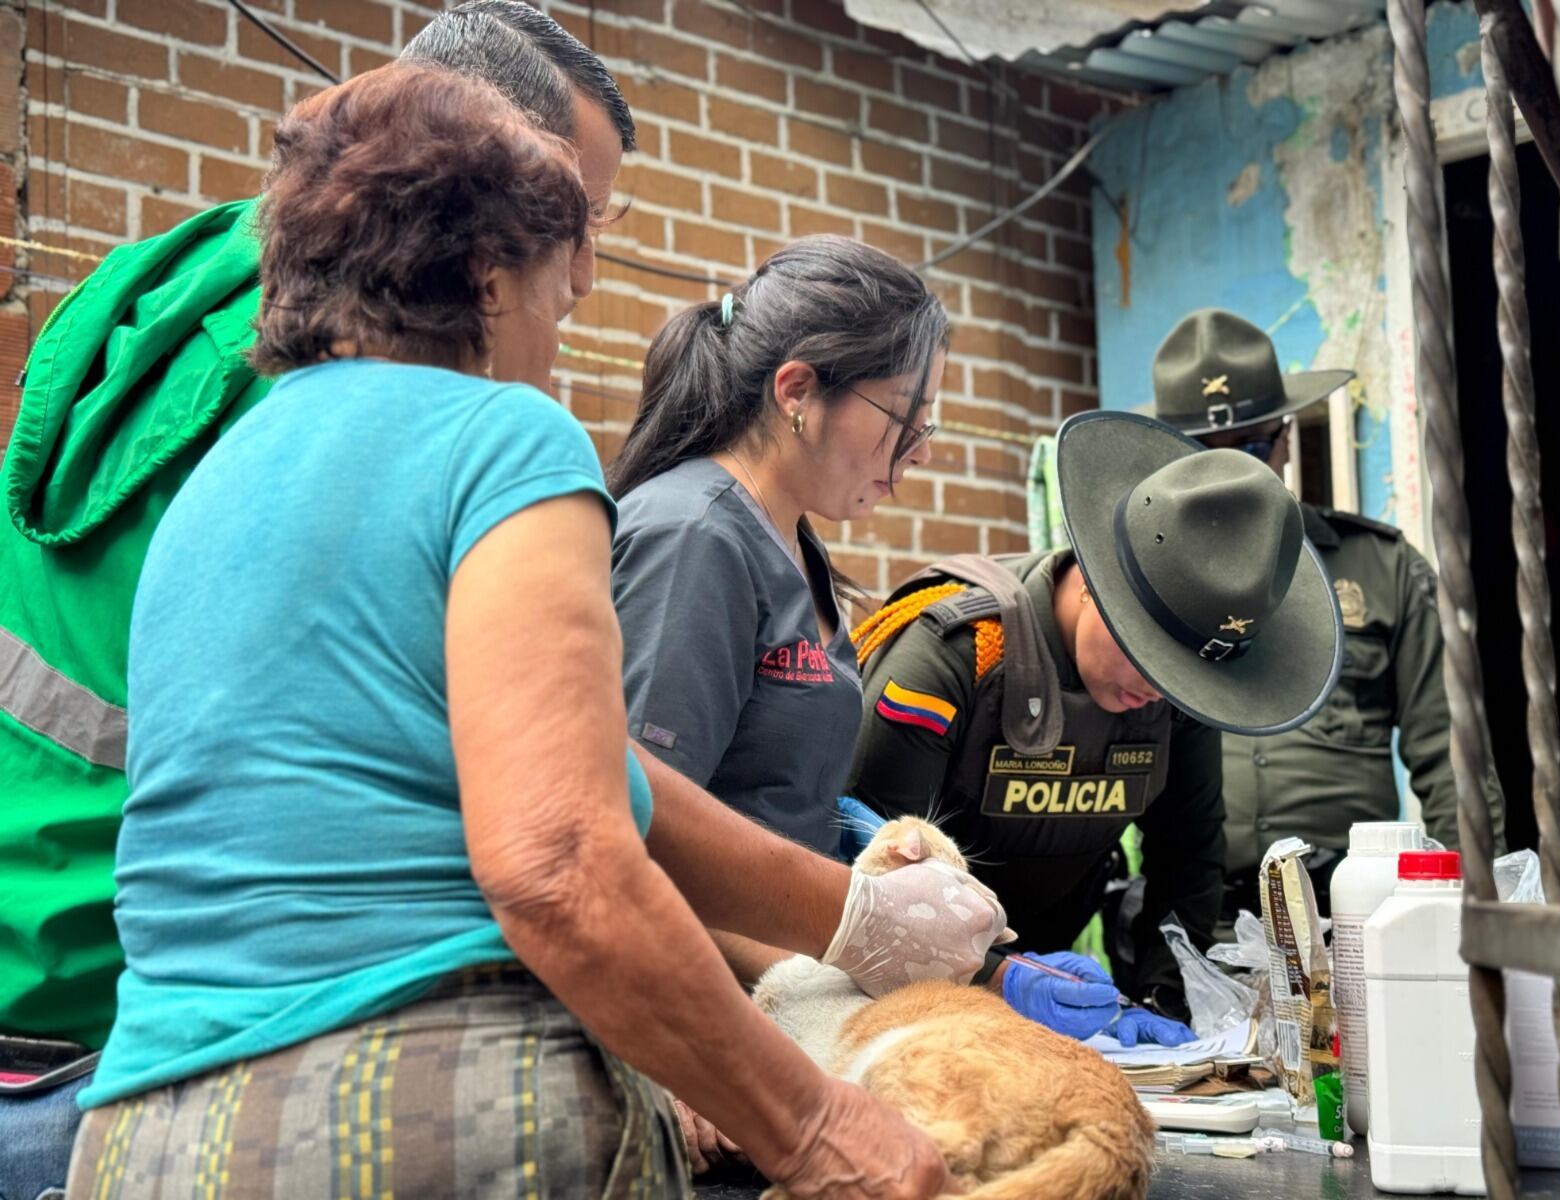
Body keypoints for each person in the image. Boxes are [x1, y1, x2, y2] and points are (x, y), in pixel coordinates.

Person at [64, 64, 1005, 1200]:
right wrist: (809, 1123)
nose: (562, 338)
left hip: (143, 1128)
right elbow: (558, 860)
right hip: (408, 1100)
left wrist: (848, 912)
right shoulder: (504, 437)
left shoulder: (218, 480)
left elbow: (594, 781)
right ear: (484, 278)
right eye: (561, 295)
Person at [0, 5, 628, 1192]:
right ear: (471, 177)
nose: (583, 274)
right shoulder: (363, 379)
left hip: (59, 972)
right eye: (569, 218)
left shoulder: (173, 289)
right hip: (204, 1017)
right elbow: (545, 831)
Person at [846, 409, 1345, 1032]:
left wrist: (1167, 996)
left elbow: (1188, 858)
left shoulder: (1176, 688)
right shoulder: (958, 654)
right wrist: (995, 976)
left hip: (1053, 971)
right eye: (1148, 658)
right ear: (1093, 582)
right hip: (897, 986)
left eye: (1183, 679)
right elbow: (859, 865)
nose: (1157, 691)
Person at [607, 235, 945, 980]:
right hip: (709, 997)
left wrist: (860, 847)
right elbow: (637, 836)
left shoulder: (794, 542)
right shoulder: (695, 536)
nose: (919, 451)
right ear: (796, 392)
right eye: (902, 416)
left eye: (929, 425)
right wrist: (835, 963)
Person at [1145, 309, 1506, 918]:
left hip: (1353, 912)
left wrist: (1464, 914)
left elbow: (1452, 761)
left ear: (1288, 437)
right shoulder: (1137, 580)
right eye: (1202, 451)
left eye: (1254, 445)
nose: (1233, 470)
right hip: (1193, 913)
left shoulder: (1383, 567)